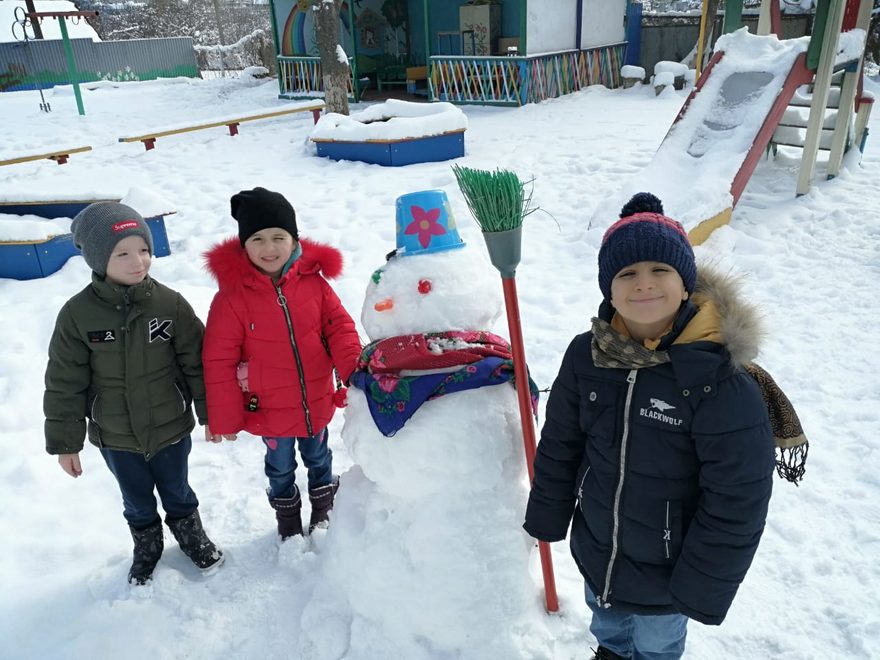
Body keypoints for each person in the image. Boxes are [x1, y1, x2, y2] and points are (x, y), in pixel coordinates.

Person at [523, 193, 775, 660]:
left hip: (668, 570)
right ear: (609, 289)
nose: (643, 285)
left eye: (660, 270)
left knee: (657, 648)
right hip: (599, 550)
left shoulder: (717, 380)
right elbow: (562, 442)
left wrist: (701, 582)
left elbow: (738, 496)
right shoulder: (587, 355)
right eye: (626, 273)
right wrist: (548, 512)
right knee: (610, 631)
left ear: (686, 286)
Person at [44, 202, 224, 586]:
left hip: (170, 426)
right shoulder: (77, 316)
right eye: (122, 253)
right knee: (136, 498)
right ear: (96, 258)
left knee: (177, 489)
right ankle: (147, 546)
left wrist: (212, 414)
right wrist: (66, 442)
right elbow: (64, 381)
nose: (138, 261)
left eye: (143, 249)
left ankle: (191, 536)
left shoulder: (169, 304)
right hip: (117, 436)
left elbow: (197, 362)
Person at [202, 187, 361, 541]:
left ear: (294, 240)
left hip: (315, 398)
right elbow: (217, 359)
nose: (269, 248)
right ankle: (287, 516)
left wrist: (353, 370)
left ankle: (323, 507)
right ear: (243, 246)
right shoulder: (231, 297)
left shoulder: (314, 284)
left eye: (278, 237)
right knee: (280, 465)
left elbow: (340, 327)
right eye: (257, 239)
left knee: (319, 457)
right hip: (269, 406)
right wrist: (224, 416)